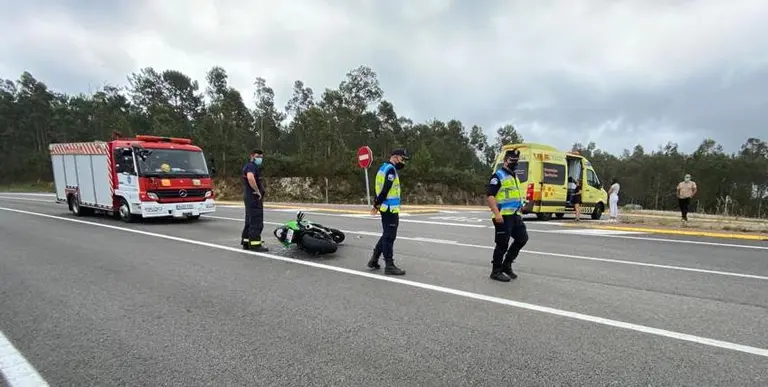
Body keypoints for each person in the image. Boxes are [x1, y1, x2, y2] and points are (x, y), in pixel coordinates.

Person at [486, 148, 529, 282]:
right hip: (503, 216)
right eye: (512, 160)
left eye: (516, 161)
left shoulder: (513, 176)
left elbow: (512, 195)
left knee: (522, 239)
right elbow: (490, 196)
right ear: (505, 161)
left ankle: (507, 265)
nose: (515, 163)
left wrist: (521, 207)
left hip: (515, 215)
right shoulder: (498, 176)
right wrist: (496, 213)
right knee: (502, 244)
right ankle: (496, 271)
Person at [367, 149, 409, 275]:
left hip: (385, 208)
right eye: (402, 159)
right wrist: (376, 204)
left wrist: (377, 203)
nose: (403, 162)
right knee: (389, 237)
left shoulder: (383, 168)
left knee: (386, 234)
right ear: (395, 157)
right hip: (390, 209)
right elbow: (385, 189)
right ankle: (389, 265)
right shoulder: (390, 170)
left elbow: (378, 188)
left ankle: (374, 260)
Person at [241, 149, 269, 252]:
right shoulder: (251, 166)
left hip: (249, 198)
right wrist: (257, 190)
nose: (260, 159)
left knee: (249, 220)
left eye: (261, 157)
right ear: (252, 156)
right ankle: (255, 244)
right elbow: (250, 177)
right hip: (253, 198)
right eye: (258, 156)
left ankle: (246, 242)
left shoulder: (251, 166)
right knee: (256, 222)